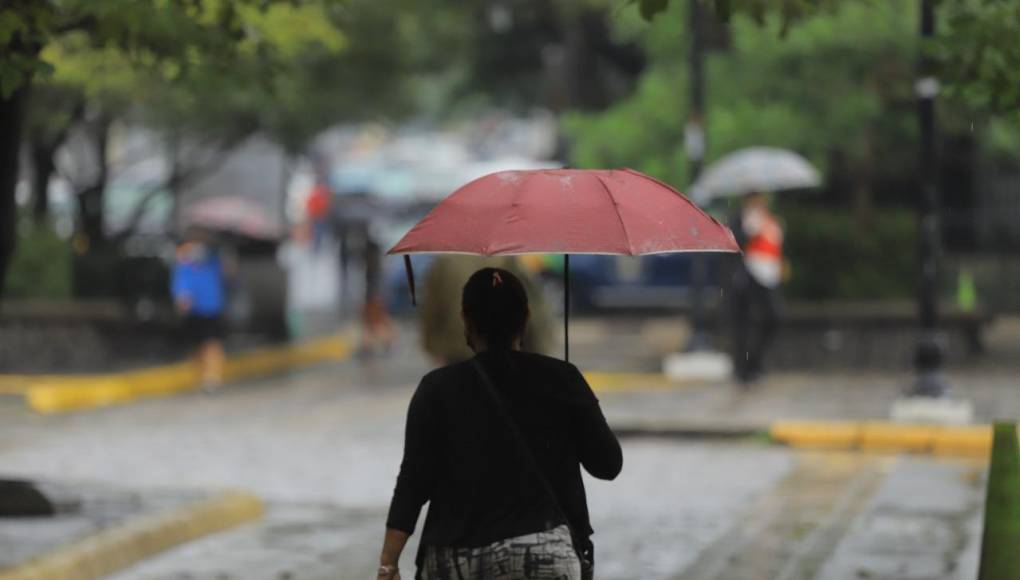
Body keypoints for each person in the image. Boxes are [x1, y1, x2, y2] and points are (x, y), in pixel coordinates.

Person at [377, 267, 622, 580]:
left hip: (455, 559)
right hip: (540, 553)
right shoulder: (562, 378)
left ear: (466, 319)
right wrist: (576, 405)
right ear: (526, 316)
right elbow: (608, 465)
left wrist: (389, 562)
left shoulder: (436, 388)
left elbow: (413, 483)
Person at [420, 255, 554, 365]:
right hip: (504, 352)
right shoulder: (508, 260)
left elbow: (431, 311)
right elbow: (533, 309)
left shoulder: (444, 263)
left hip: (458, 351)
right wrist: (539, 349)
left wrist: (434, 347)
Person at [729, 191, 784, 384]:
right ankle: (743, 369)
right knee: (743, 323)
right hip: (746, 277)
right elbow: (733, 243)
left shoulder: (769, 219)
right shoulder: (739, 218)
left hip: (768, 275)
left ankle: (754, 361)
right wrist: (748, 230)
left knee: (773, 317)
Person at [171, 230, 227, 390]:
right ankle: (201, 375)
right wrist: (182, 300)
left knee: (212, 344)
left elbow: (226, 275)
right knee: (197, 346)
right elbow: (181, 287)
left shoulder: (213, 260)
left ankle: (212, 377)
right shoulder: (185, 263)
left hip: (212, 310)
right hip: (195, 312)